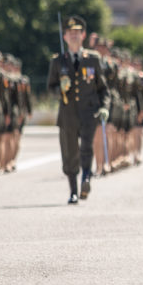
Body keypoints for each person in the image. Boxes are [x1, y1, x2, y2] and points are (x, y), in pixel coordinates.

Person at [46, 15, 110, 204]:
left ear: (83, 36)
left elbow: (103, 88)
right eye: (70, 33)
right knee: (70, 152)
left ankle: (86, 179)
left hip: (89, 112)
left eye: (77, 33)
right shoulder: (58, 61)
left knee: (86, 148)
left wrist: (104, 107)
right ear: (64, 36)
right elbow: (50, 88)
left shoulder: (93, 59)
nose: (73, 36)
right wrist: (60, 89)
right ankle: (73, 190)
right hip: (68, 114)